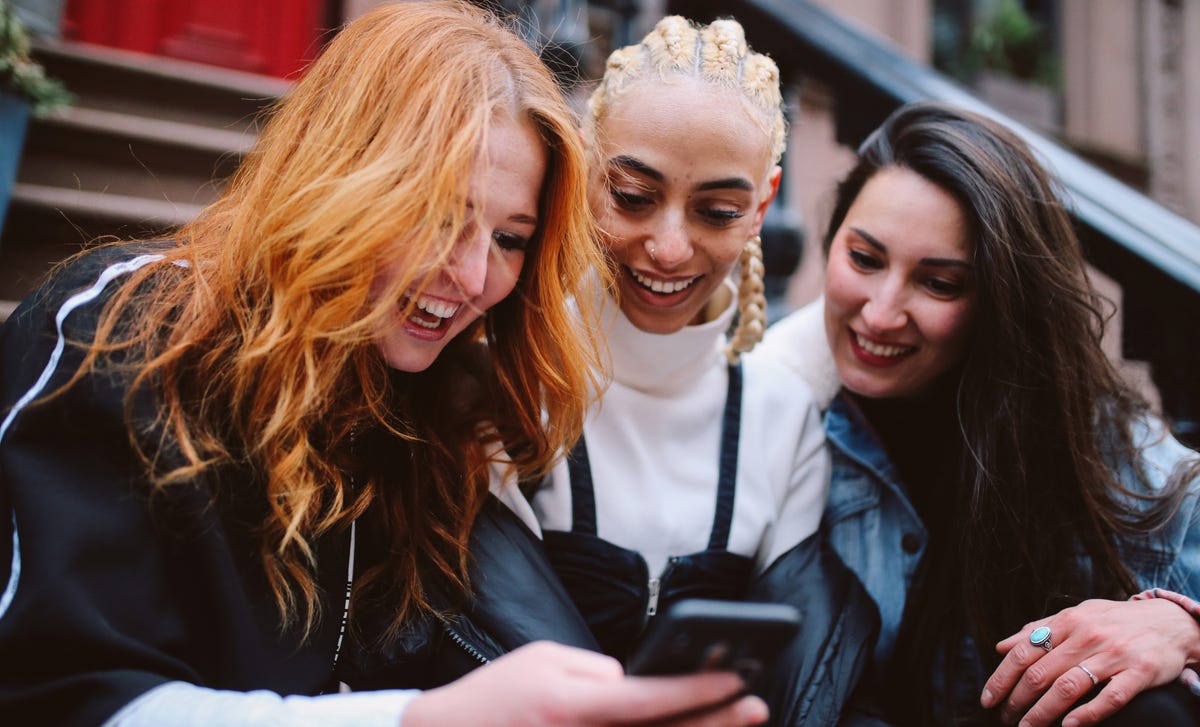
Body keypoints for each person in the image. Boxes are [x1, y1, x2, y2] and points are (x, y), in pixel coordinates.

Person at [0, 3, 773, 725]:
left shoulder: (432, 403)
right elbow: (57, 695)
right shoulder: (120, 335)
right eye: (437, 216)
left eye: (510, 239)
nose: (473, 276)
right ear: (340, 175)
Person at [753, 101, 1200, 726]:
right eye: (865, 259)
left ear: (1001, 301)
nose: (880, 313)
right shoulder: (768, 413)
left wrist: (1183, 627)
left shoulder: (1099, 448)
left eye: (939, 283)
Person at [525, 15, 878, 725]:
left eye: (717, 211)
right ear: (587, 171)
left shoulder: (785, 414)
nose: (669, 247)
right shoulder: (512, 373)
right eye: (633, 196)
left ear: (762, 206)